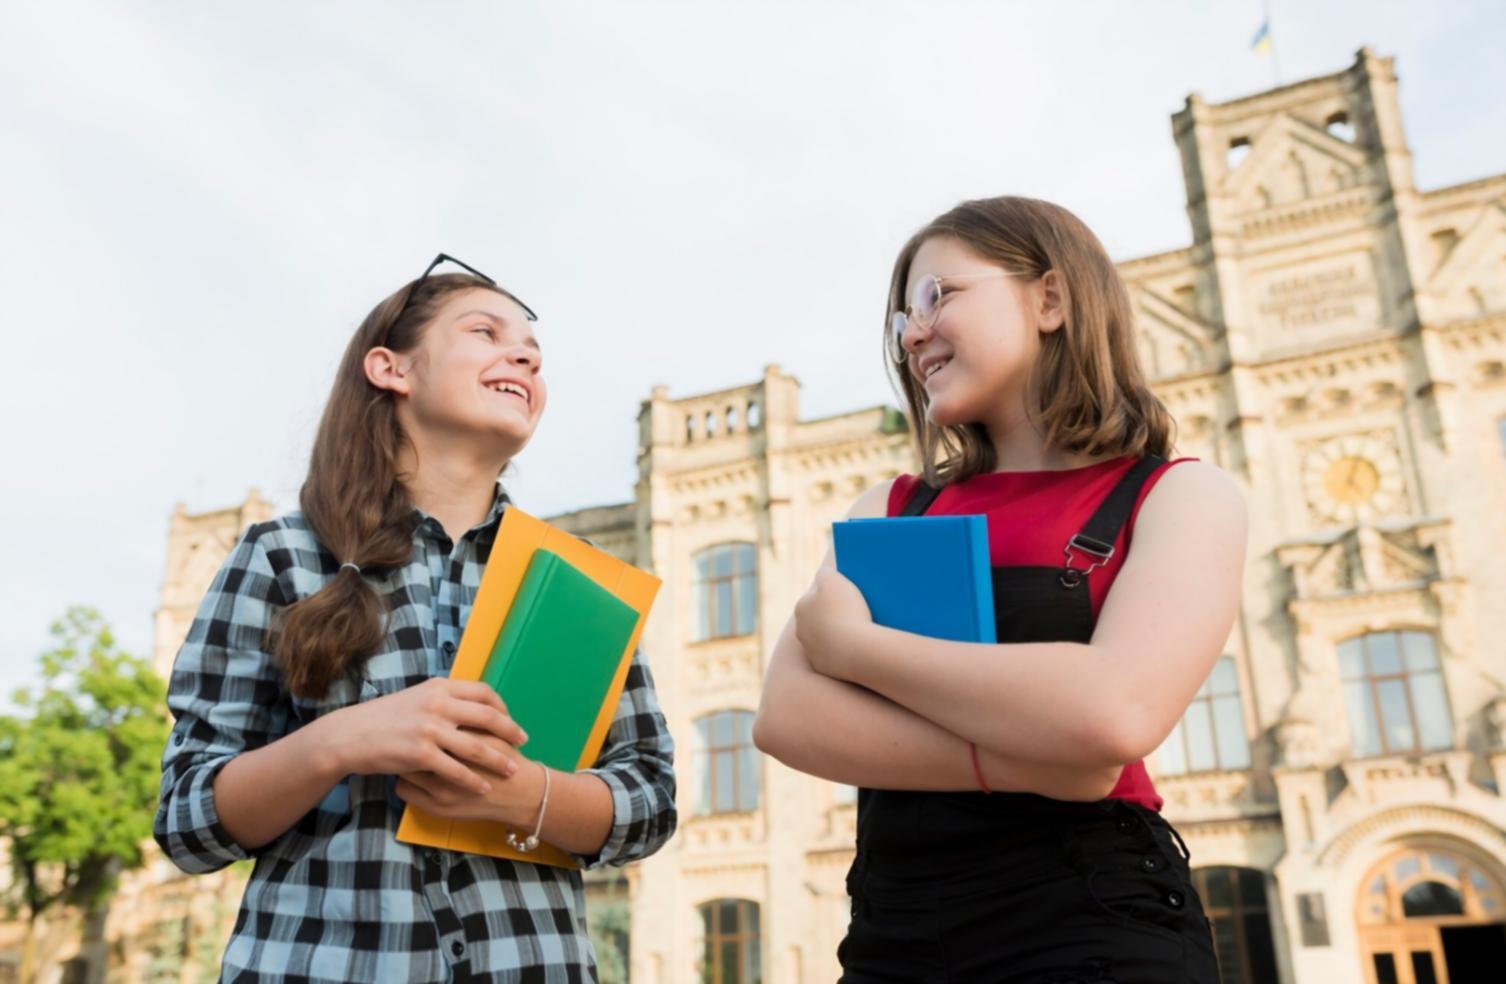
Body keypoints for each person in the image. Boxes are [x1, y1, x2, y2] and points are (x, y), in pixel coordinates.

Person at [754, 198, 1245, 982]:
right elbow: (787, 718)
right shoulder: (893, 503)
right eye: (900, 321)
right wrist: (1037, 762)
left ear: (1051, 299)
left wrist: (859, 649)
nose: (912, 335)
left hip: (1093, 926)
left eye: (935, 297)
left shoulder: (1179, 495)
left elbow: (1113, 711)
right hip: (894, 937)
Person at [155, 255, 676, 983]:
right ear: (390, 369)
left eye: (532, 350)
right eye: (485, 331)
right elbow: (186, 822)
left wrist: (525, 795)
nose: (522, 354)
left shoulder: (578, 580)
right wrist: (339, 741)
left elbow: (650, 799)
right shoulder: (281, 557)